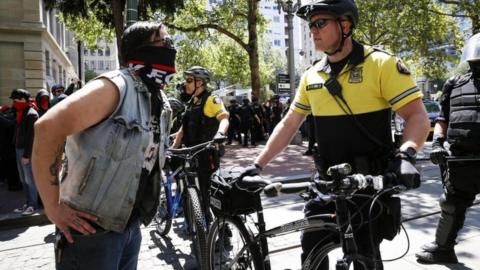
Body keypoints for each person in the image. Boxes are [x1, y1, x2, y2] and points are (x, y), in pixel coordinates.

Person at [240, 0, 430, 269]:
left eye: (320, 23)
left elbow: (417, 115)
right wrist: (257, 164)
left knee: (366, 256)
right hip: (325, 184)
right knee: (312, 253)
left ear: (345, 24)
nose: (313, 30)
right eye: (311, 24)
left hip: (367, 185)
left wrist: (407, 154)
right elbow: (289, 123)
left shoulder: (381, 64)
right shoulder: (311, 75)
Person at [32, 21, 175, 270]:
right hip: (91, 233)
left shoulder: (156, 95)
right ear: (142, 49)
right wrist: (53, 207)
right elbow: (47, 128)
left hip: (128, 226)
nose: (170, 48)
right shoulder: (114, 86)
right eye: (163, 42)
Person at [416, 33, 480, 264]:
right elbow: (443, 119)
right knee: (451, 204)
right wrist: (437, 142)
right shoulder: (455, 83)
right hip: (461, 159)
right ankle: (443, 248)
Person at [172, 66, 229, 218]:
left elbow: (224, 118)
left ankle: (222, 225)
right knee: (192, 188)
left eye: (190, 80)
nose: (186, 84)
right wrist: (172, 150)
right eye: (187, 80)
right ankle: (197, 222)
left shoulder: (211, 100)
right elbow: (182, 131)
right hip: (191, 153)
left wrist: (220, 134)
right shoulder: (191, 102)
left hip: (206, 153)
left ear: (201, 82)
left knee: (209, 190)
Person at [9, 89, 39, 215]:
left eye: (16, 100)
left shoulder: (31, 114)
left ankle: (32, 205)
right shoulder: (21, 112)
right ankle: (28, 203)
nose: (14, 102)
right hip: (18, 148)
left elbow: (31, 137)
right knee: (23, 179)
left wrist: (27, 155)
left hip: (25, 151)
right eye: (14, 100)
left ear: (23, 100)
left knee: (29, 179)